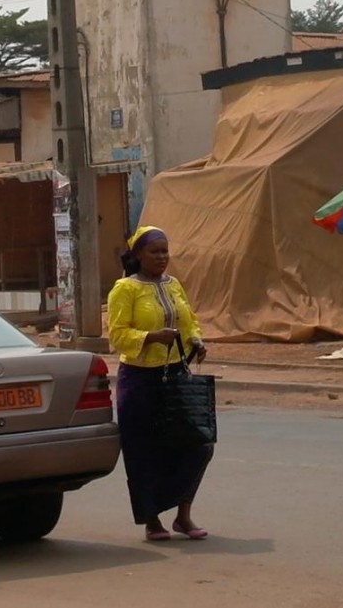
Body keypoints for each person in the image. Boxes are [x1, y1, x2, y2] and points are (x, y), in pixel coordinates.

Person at [107, 225, 212, 541]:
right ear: (139, 254)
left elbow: (189, 320)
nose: (162, 257)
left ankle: (183, 515)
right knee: (144, 452)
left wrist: (196, 340)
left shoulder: (174, 284)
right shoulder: (125, 289)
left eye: (165, 251)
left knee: (197, 444)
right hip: (139, 380)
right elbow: (117, 335)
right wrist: (151, 337)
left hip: (175, 377)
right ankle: (152, 520)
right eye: (155, 252)